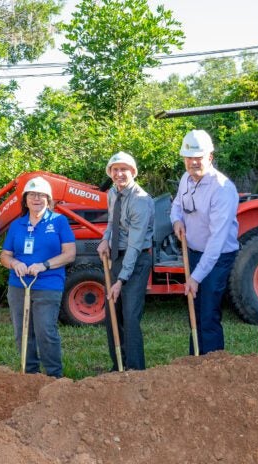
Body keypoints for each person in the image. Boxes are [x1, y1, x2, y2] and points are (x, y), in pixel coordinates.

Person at [170, 129, 239, 355]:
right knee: (195, 309)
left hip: (217, 256)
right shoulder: (185, 179)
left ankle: (212, 368)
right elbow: (177, 206)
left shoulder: (222, 189)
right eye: (189, 158)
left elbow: (217, 240)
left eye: (198, 157)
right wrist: (176, 221)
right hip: (193, 250)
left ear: (210, 157)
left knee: (208, 311)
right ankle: (195, 362)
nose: (193, 162)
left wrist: (196, 277)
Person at [0, 176, 76, 377]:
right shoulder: (17, 225)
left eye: (42, 195)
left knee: (45, 331)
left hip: (48, 284)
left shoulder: (59, 221)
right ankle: (30, 375)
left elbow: (70, 254)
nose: (37, 199)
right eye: (32, 195)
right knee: (23, 332)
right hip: (19, 285)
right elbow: (4, 256)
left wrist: (44, 265)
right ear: (25, 200)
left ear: (49, 199)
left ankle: (54, 376)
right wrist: (15, 263)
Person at [96, 152, 154, 370]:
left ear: (133, 172)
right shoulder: (112, 193)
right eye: (115, 170)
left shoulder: (140, 200)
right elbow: (112, 222)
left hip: (137, 260)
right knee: (112, 313)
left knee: (129, 315)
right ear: (111, 173)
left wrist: (120, 280)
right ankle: (117, 366)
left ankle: (135, 369)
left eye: (124, 169)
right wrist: (105, 239)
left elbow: (135, 244)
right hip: (117, 256)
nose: (119, 174)